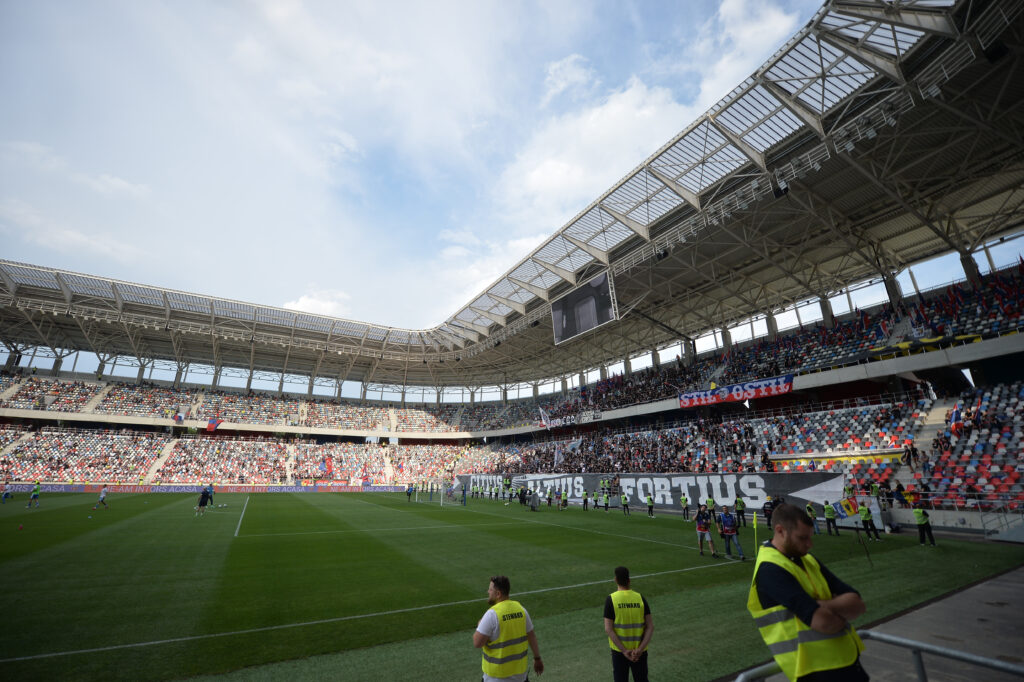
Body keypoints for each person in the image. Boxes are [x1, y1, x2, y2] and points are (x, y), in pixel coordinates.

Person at [748, 503, 868, 681]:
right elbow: (824, 622)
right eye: (802, 538)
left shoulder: (808, 559)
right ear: (780, 531)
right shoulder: (770, 569)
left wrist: (823, 605)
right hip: (815, 671)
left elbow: (857, 604)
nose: (809, 544)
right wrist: (839, 610)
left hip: (848, 664)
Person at [474, 575, 543, 682]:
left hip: (496, 678)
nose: (488, 591)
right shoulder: (521, 610)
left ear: (498, 594)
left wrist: (480, 624)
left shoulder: (492, 615)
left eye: (490, 589)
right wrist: (537, 658)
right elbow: (531, 635)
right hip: (520, 678)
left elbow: (477, 643)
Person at [604, 566, 653, 682]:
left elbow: (608, 629)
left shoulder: (611, 599)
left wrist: (625, 651)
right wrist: (640, 650)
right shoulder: (640, 598)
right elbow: (650, 627)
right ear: (629, 580)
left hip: (619, 652)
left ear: (615, 580)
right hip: (639, 653)